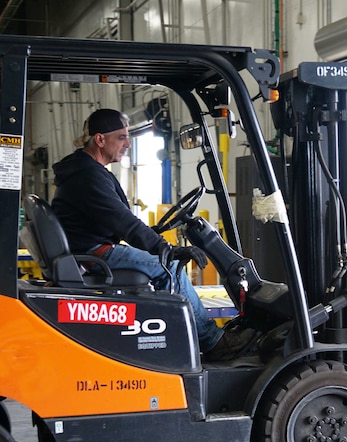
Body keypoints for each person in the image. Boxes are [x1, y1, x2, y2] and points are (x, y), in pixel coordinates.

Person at [51, 108, 257, 361]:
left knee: (166, 259)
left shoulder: (85, 171)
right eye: (121, 137)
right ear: (100, 139)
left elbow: (119, 219)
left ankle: (185, 337)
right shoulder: (87, 175)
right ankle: (213, 342)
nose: (128, 143)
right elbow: (122, 220)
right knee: (170, 265)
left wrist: (155, 238)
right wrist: (163, 248)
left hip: (90, 249)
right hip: (94, 254)